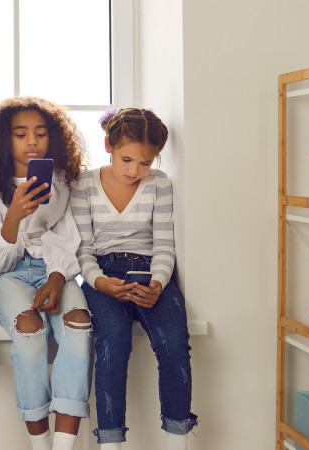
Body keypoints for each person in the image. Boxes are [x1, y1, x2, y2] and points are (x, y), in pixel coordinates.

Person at [0, 96, 92, 450]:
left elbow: (70, 234)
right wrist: (14, 216)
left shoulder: (63, 181)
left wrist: (57, 276)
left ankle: (64, 446)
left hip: (56, 270)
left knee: (79, 325)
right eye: (20, 133)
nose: (32, 141)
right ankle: (41, 445)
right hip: (7, 275)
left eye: (40, 133)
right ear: (3, 139)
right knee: (29, 330)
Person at [72, 108, 197, 450]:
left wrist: (157, 283)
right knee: (113, 340)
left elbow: (164, 245)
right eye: (126, 160)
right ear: (108, 146)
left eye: (145, 163)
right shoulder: (83, 184)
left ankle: (178, 442)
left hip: (150, 273)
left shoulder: (160, 185)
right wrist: (98, 282)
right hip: (101, 274)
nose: (134, 171)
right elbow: (81, 249)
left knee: (173, 344)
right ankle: (111, 444)